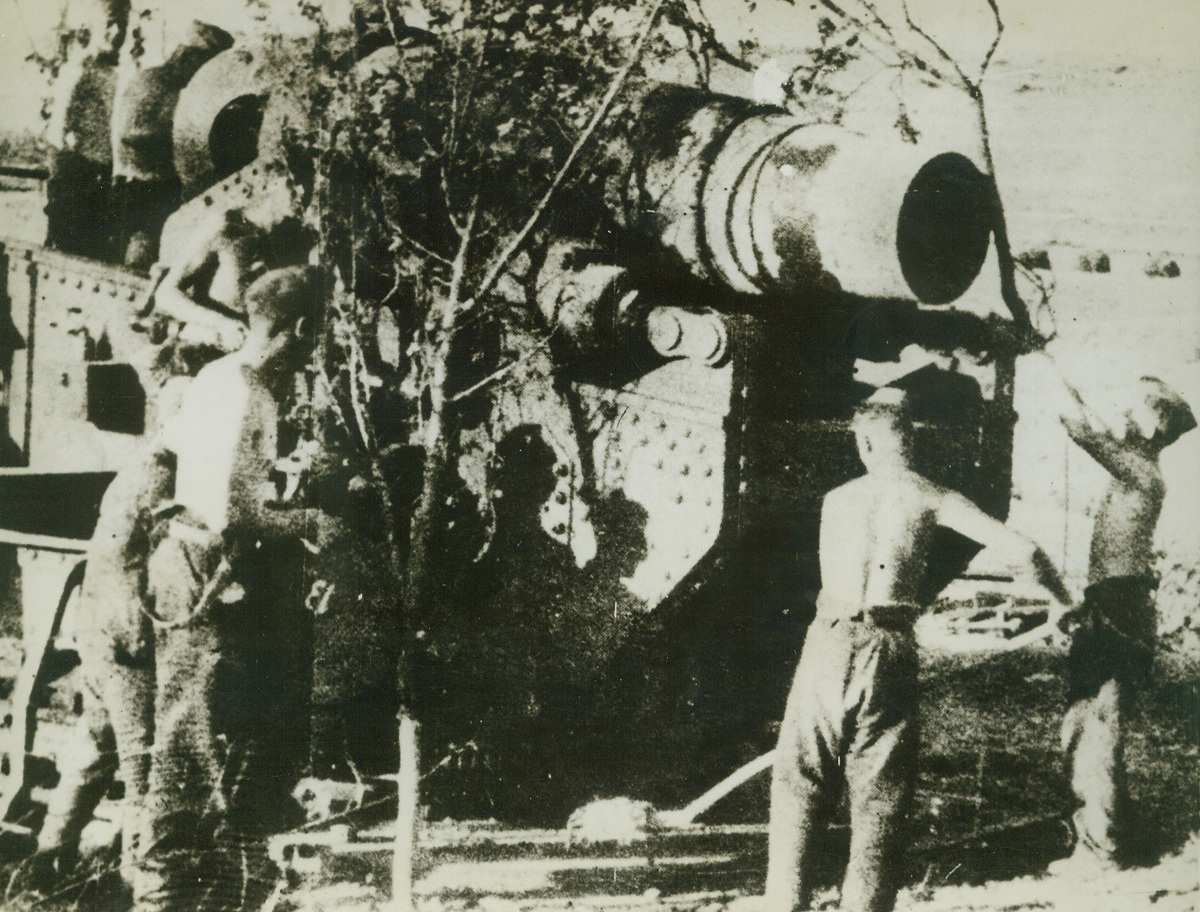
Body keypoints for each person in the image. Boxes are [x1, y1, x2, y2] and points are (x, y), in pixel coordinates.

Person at [764, 388, 1072, 912]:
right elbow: (1024, 550)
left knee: (800, 781)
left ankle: (782, 905)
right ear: (913, 441)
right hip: (889, 644)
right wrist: (1059, 603)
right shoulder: (933, 496)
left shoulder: (836, 499)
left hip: (828, 638)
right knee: (881, 793)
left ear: (865, 441)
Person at [133, 265, 331, 912]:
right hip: (205, 575)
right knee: (192, 756)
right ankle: (162, 900)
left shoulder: (218, 376)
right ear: (302, 329)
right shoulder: (256, 397)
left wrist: (270, 474)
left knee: (198, 745)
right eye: (318, 332)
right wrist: (309, 520)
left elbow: (189, 455)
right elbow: (230, 514)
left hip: (181, 564)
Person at [1045, 371, 1196, 873]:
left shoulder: (1141, 473)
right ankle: (1107, 832)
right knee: (1081, 722)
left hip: (1121, 605)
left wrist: (1060, 390)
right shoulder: (1134, 469)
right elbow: (1098, 432)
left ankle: (1105, 848)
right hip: (1110, 601)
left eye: (1135, 412)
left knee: (1099, 726)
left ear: (1154, 429)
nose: (1125, 416)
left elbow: (1086, 433)